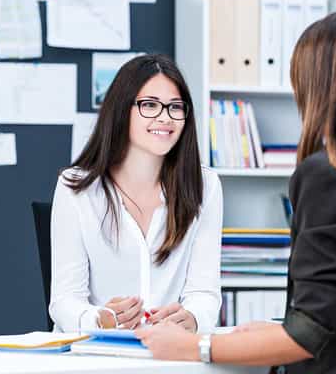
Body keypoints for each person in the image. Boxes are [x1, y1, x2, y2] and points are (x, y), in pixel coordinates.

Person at [136, 13, 336, 373]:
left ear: (312, 84)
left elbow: (310, 331)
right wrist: (274, 333)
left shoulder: (329, 173)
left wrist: (196, 346)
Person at [49, 54, 223, 334]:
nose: (165, 118)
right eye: (150, 105)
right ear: (122, 110)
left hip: (168, 354)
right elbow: (64, 301)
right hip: (96, 356)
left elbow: (205, 293)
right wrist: (100, 319)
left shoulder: (205, 185)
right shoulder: (75, 187)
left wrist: (192, 317)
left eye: (175, 107)